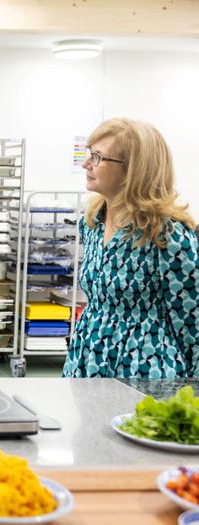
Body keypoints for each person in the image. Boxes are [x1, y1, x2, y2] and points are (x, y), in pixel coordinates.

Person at [63, 118, 199, 378]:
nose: (85, 164)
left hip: (143, 372)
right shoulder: (92, 222)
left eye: (97, 157)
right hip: (87, 362)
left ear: (133, 169)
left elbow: (192, 323)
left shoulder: (167, 236)